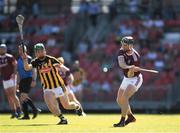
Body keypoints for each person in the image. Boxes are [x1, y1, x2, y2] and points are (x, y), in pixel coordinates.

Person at [21, 43, 81, 125]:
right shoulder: (35, 61)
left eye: (41, 50)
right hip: (47, 88)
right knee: (50, 105)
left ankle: (77, 106)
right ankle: (62, 119)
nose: (39, 52)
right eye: (37, 51)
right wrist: (24, 59)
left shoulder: (51, 59)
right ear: (35, 53)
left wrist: (68, 74)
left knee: (66, 106)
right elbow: (27, 68)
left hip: (59, 86)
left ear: (44, 51)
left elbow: (63, 67)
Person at [113, 36, 143, 127]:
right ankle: (130, 116)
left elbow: (131, 75)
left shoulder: (136, 57)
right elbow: (121, 64)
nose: (123, 46)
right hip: (126, 78)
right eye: (122, 44)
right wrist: (129, 67)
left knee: (125, 97)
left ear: (130, 45)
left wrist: (131, 70)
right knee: (119, 100)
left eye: (125, 45)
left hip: (135, 79)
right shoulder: (121, 51)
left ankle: (122, 121)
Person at [17, 45, 40, 120]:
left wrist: (34, 79)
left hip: (28, 79)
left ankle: (35, 109)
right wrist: (17, 83)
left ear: (25, 50)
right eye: (19, 49)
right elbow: (18, 72)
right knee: (22, 98)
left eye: (21, 49)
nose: (19, 50)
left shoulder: (29, 58)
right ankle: (26, 115)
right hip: (22, 80)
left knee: (23, 96)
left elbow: (34, 69)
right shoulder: (19, 59)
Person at [0, 44, 21, 118]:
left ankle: (19, 111)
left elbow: (15, 65)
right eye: (1, 49)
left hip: (11, 77)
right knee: (8, 96)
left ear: (6, 49)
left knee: (13, 94)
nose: (2, 50)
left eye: (3, 48)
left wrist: (14, 74)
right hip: (4, 79)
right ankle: (13, 112)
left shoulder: (9, 57)